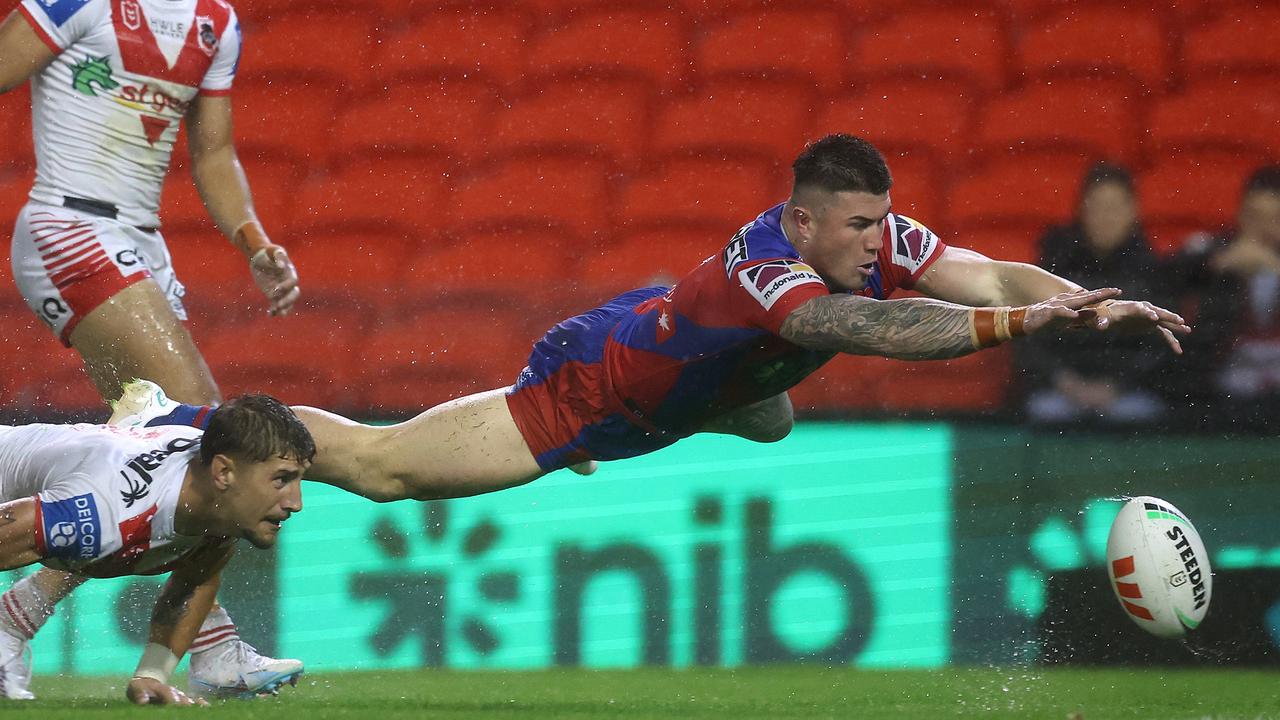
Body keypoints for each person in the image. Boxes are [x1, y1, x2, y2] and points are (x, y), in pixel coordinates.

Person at [133, 135, 1189, 507]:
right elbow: (863, 334)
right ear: (799, 218)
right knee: (382, 473)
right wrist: (1024, 331)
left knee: (769, 414)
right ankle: (174, 417)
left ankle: (717, 403)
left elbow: (984, 276)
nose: (882, 243)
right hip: (590, 386)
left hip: (680, 369)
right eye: (859, 227)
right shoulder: (773, 271)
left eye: (882, 223)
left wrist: (1073, 303)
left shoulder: (873, 236)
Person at [0, 0, 303, 699]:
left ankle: (20, 618)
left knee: (157, 459)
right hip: (68, 223)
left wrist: (253, 241)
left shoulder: (216, 22)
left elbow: (214, 152)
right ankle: (212, 650)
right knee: (213, 434)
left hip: (143, 244)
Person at [0, 394, 313, 705]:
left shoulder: (218, 501)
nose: (295, 503)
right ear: (223, 472)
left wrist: (152, 675)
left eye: (298, 480)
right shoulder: (103, 516)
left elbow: (194, 580)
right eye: (282, 479)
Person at [1016, 162, 1173, 424]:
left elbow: (1160, 349)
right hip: (1058, 393)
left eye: (1115, 207)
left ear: (1133, 211)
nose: (1106, 217)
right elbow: (1029, 336)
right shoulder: (1054, 264)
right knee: (1046, 410)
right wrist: (1065, 382)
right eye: (1097, 206)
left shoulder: (1151, 270)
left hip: (1128, 396)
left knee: (1137, 412)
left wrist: (1116, 386)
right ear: (1081, 210)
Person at [1169, 165, 1280, 428]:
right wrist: (1216, 265)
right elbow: (1167, 275)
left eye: (1272, 218)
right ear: (1240, 215)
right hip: (1223, 385)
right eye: (1255, 217)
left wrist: (1273, 266)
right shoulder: (1213, 255)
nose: (1263, 229)